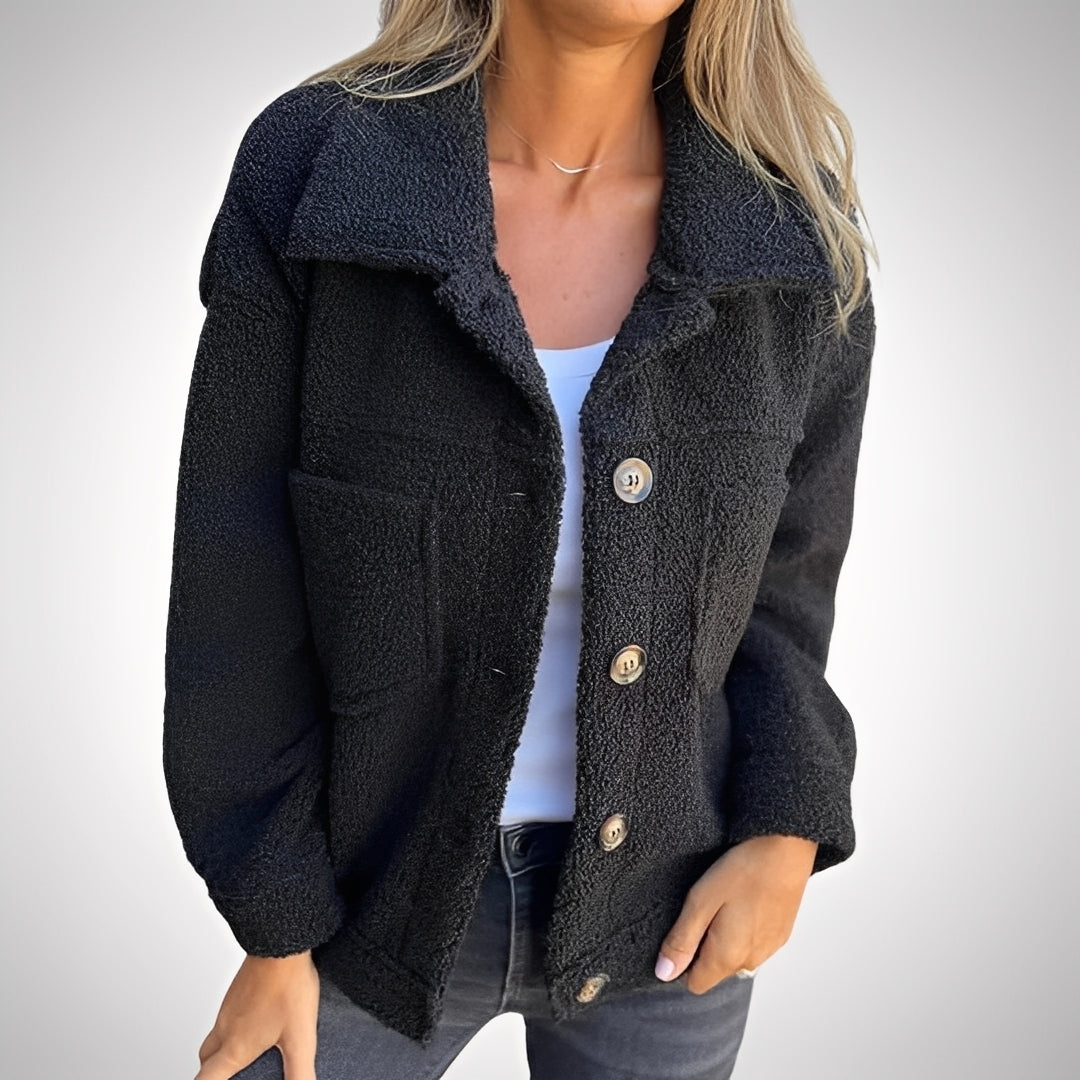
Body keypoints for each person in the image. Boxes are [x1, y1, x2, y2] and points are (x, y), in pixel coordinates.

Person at [163, 0, 877, 1077]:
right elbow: (235, 577)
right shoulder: (322, 170)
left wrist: (785, 828)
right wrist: (274, 915)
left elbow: (791, 580)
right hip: (360, 910)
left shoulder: (792, 228)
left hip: (671, 925)